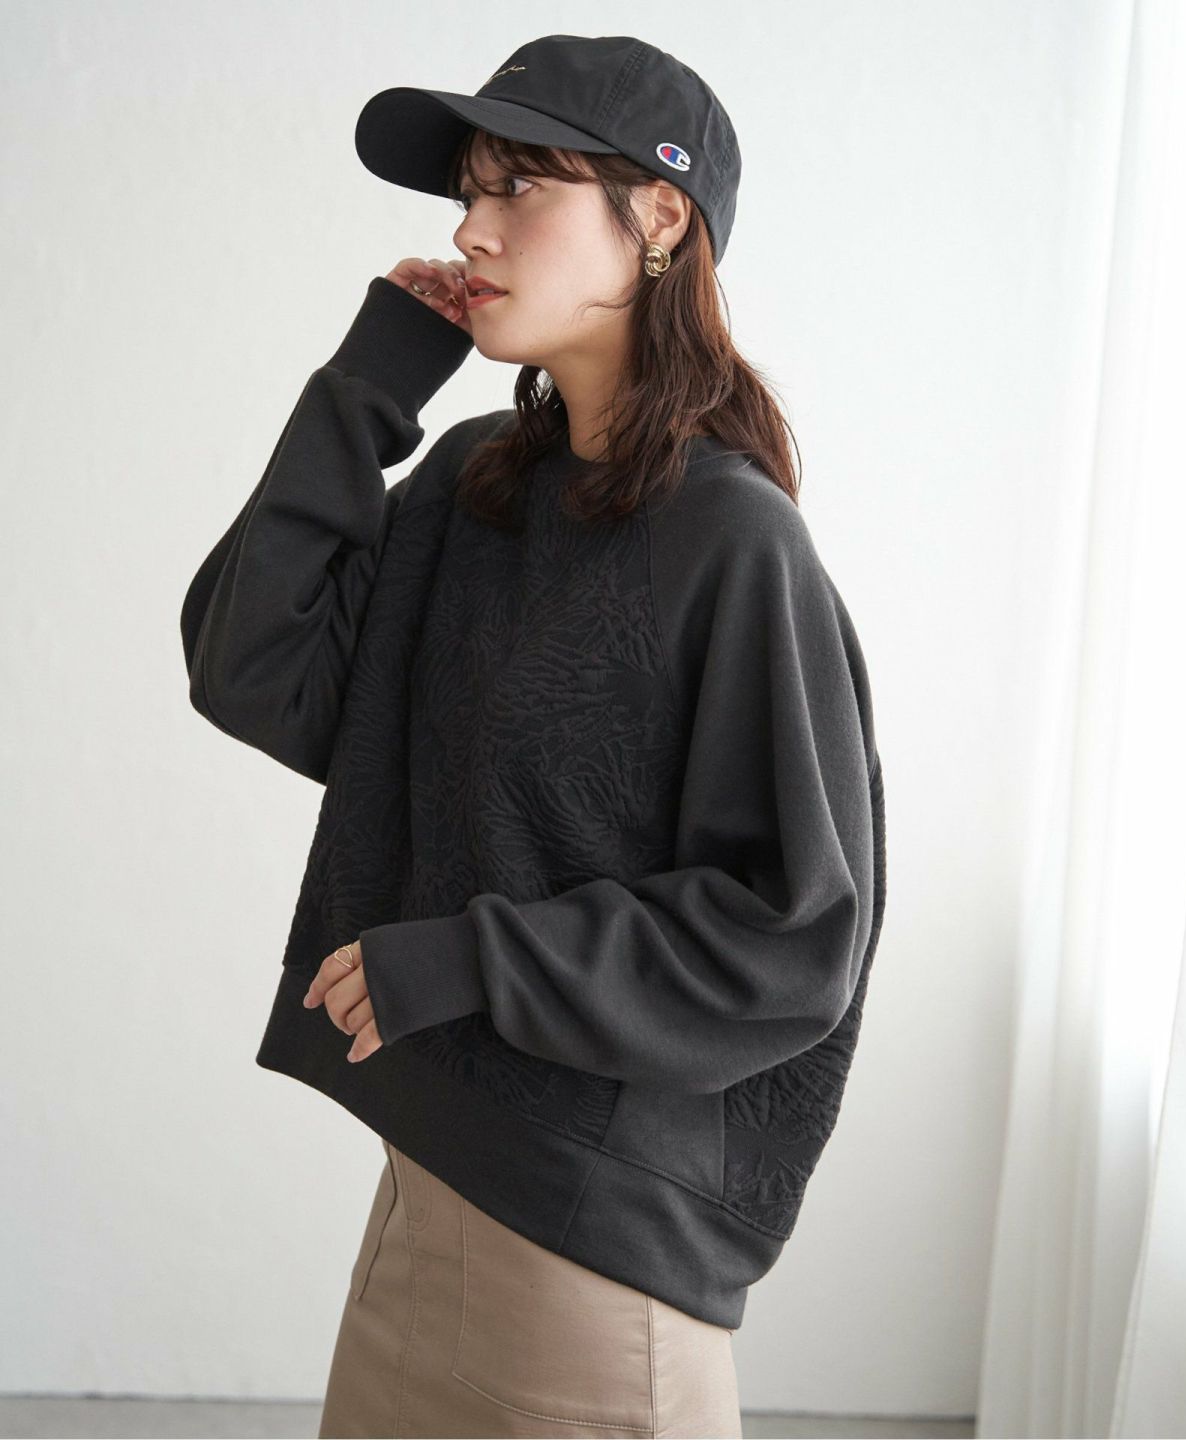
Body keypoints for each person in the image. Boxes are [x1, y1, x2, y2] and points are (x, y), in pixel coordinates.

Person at [180, 33, 887, 1440]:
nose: (469, 228)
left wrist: (469, 959)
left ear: (660, 217)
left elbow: (794, 934)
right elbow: (252, 666)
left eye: (520, 187)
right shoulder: (478, 489)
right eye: (469, 190)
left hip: (590, 1282)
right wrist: (368, 387)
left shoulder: (734, 543)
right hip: (421, 1203)